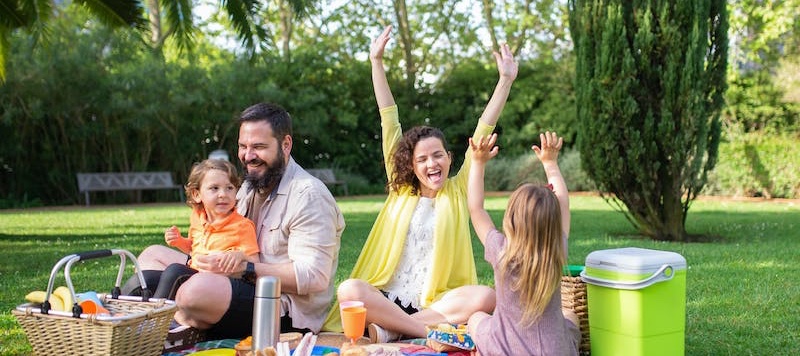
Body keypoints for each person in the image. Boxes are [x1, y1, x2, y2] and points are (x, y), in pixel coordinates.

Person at [324, 25, 518, 343]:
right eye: (423, 159)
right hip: (386, 296)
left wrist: (505, 80)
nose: (432, 164)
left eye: (438, 156)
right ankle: (422, 332)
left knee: (485, 296)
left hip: (436, 304)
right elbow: (389, 117)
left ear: (450, 158)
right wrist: (376, 62)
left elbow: (484, 128)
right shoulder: (400, 189)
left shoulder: (457, 191)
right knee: (349, 289)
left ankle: (389, 330)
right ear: (411, 166)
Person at [123, 102, 346, 340]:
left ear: (286, 144)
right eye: (243, 146)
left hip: (280, 308)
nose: (248, 156)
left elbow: (315, 277)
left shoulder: (308, 195)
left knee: (193, 292)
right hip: (232, 279)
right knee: (151, 256)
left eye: (258, 147)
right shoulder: (250, 185)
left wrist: (246, 268)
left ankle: (167, 326)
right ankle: (143, 320)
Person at [466, 131, 580, 355]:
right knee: (571, 315)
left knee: (476, 318)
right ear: (553, 222)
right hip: (555, 351)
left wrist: (478, 163)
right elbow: (564, 204)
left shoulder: (501, 251)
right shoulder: (556, 250)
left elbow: (476, 209)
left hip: (504, 349)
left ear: (511, 218)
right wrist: (550, 164)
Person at [150, 158, 260, 299]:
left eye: (230, 188)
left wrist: (239, 256)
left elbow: (255, 262)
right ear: (197, 195)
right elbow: (193, 248)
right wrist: (179, 241)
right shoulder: (197, 217)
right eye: (214, 188)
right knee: (146, 278)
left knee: (174, 272)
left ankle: (155, 318)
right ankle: (118, 314)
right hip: (195, 273)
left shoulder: (242, 226)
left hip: (219, 284)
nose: (223, 194)